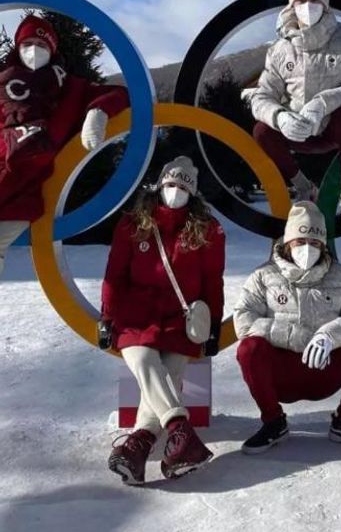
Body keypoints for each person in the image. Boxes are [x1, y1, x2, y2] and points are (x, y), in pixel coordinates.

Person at [101, 157, 224, 484]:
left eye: (183, 186)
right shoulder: (133, 224)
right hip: (135, 317)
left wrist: (214, 321)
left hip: (179, 320)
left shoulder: (207, 229)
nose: (175, 191)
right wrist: (107, 316)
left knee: (167, 375)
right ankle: (181, 433)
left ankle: (137, 448)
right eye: (171, 184)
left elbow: (213, 280)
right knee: (144, 362)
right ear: (159, 185)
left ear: (193, 193)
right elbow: (115, 274)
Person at [234, 201, 341, 454]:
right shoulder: (263, 276)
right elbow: (244, 320)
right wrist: (297, 337)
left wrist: (329, 336)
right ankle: (273, 421)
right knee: (249, 349)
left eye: (314, 243)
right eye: (300, 241)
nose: (307, 249)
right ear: (288, 242)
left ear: (323, 245)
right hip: (283, 373)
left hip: (327, 367)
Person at [247, 0, 341, 224]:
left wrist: (323, 103)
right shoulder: (280, 49)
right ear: (291, 4)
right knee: (262, 130)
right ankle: (303, 185)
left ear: (325, 2)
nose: (307, 7)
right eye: (301, 0)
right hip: (297, 130)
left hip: (334, 128)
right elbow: (262, 96)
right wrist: (280, 117)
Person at [0, 14, 127, 275]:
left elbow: (119, 93)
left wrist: (97, 112)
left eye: (41, 45)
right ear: (17, 48)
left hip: (25, 190)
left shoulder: (69, 88)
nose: (33, 51)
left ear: (53, 50)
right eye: (27, 44)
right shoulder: (2, 83)